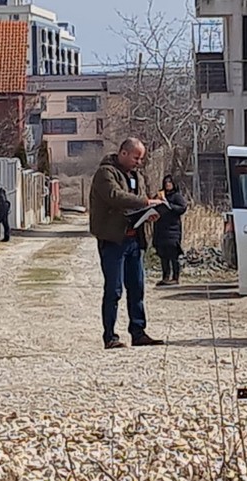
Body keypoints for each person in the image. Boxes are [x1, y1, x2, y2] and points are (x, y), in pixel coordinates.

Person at [90, 137, 166, 349]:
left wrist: (149, 212)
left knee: (137, 288)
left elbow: (139, 200)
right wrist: (145, 202)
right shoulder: (105, 174)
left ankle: (138, 332)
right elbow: (115, 197)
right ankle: (110, 336)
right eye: (136, 157)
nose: (139, 162)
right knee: (114, 290)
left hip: (135, 240)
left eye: (141, 158)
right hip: (114, 240)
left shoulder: (137, 176)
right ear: (123, 153)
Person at [153, 174, 188, 286]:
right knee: (163, 255)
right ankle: (165, 277)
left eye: (170, 182)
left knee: (173, 254)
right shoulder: (159, 195)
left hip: (173, 229)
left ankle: (176, 277)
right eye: (166, 182)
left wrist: (168, 205)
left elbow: (182, 208)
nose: (167, 184)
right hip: (161, 229)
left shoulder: (176, 196)